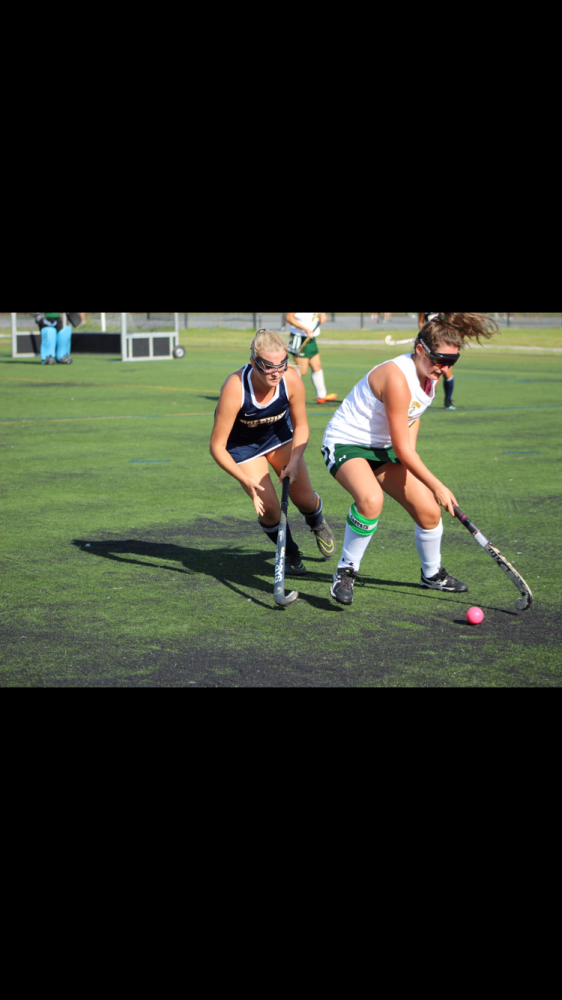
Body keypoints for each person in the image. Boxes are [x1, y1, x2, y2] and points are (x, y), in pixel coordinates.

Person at [322, 313, 497, 605]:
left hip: (385, 447)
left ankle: (432, 574)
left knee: (429, 511)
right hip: (346, 443)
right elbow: (402, 448)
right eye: (439, 359)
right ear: (420, 350)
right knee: (371, 500)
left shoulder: (431, 377)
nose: (443, 368)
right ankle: (346, 570)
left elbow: (412, 419)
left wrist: (410, 459)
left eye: (451, 362)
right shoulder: (397, 378)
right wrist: (437, 484)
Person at [210, 329, 336, 572]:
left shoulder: (291, 379)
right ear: (253, 362)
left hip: (279, 438)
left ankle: (316, 521)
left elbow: (301, 426)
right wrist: (244, 479)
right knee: (269, 508)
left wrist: (295, 460)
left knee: (304, 498)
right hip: (244, 446)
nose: (277, 372)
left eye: (282, 364)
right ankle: (289, 552)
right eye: (268, 366)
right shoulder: (235, 387)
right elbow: (217, 446)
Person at [285, 312, 337, 404]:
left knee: (317, 366)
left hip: (311, 337)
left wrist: (322, 314)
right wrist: (305, 329)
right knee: (301, 371)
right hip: (300, 337)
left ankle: (321, 396)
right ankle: (286, 394)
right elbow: (289, 318)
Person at [419, 313, 455, 409]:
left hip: (446, 342)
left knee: (447, 373)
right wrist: (425, 334)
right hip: (432, 345)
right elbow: (421, 323)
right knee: (436, 370)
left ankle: (448, 401)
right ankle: (429, 394)